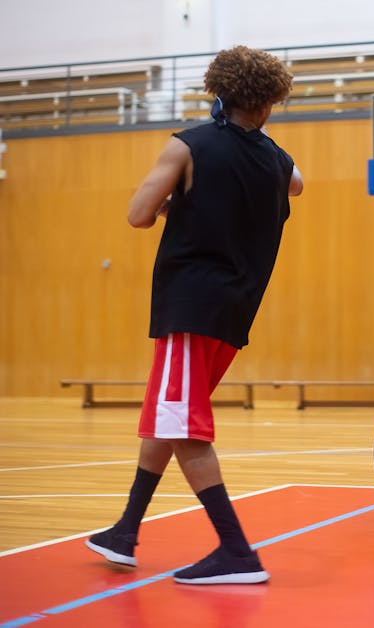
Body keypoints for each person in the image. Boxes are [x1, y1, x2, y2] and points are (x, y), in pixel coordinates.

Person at [85, 46, 303, 585]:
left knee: (185, 428)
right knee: (169, 417)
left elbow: (138, 215)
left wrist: (174, 201)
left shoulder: (189, 146)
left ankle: (236, 551)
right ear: (271, 102)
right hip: (233, 313)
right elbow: (296, 182)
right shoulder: (279, 162)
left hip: (191, 305)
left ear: (218, 93)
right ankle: (125, 531)